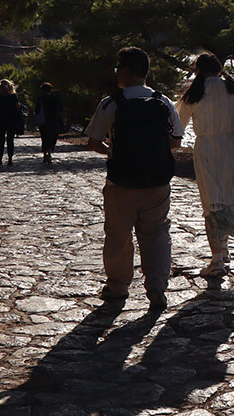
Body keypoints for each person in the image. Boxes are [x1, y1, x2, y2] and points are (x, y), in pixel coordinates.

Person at [84, 47, 182, 311]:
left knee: (118, 235)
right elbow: (175, 141)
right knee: (157, 233)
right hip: (157, 182)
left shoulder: (111, 103)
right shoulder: (163, 101)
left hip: (121, 182)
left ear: (126, 70)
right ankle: (157, 288)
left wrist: (113, 151)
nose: (116, 71)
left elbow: (93, 142)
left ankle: (118, 287)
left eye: (118, 67)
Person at [178, 53, 234, 278]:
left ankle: (217, 258)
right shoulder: (232, 88)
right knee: (230, 197)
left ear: (198, 70)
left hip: (207, 151)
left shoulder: (194, 93)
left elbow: (179, 123)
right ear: (218, 69)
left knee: (213, 201)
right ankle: (223, 252)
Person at [0, 79, 22, 165]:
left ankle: (0, 158)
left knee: (1, 140)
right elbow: (18, 107)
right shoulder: (13, 97)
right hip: (12, 120)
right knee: (10, 140)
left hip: (1, 120)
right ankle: (10, 158)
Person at [34, 82, 63, 165]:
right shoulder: (55, 98)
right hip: (53, 121)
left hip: (43, 122)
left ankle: (45, 154)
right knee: (52, 137)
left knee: (44, 137)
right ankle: (49, 153)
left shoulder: (40, 99)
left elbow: (36, 110)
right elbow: (60, 109)